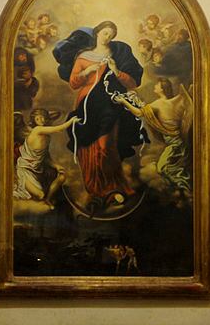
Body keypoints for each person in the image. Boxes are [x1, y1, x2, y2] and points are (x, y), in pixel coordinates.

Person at [52, 20, 148, 209]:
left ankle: (114, 186)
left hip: (110, 105)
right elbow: (73, 83)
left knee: (106, 146)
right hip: (87, 105)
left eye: (111, 35)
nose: (107, 37)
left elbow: (132, 83)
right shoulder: (83, 57)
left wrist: (116, 70)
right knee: (88, 146)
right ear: (97, 33)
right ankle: (96, 189)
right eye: (105, 33)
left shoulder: (118, 55)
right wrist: (87, 71)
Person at [112, 77, 192, 196]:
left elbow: (139, 112)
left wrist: (124, 101)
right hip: (178, 143)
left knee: (162, 167)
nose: (155, 86)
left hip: (174, 144)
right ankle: (180, 190)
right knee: (169, 168)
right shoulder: (175, 101)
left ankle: (183, 189)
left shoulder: (158, 104)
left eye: (157, 85)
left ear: (162, 88)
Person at [13, 108, 76, 206]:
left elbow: (45, 156)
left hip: (39, 168)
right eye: (38, 118)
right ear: (34, 120)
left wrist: (56, 165)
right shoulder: (37, 130)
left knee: (62, 176)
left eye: (43, 118)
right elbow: (59, 129)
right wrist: (72, 120)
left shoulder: (46, 137)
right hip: (25, 170)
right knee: (40, 195)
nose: (41, 120)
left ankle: (48, 199)